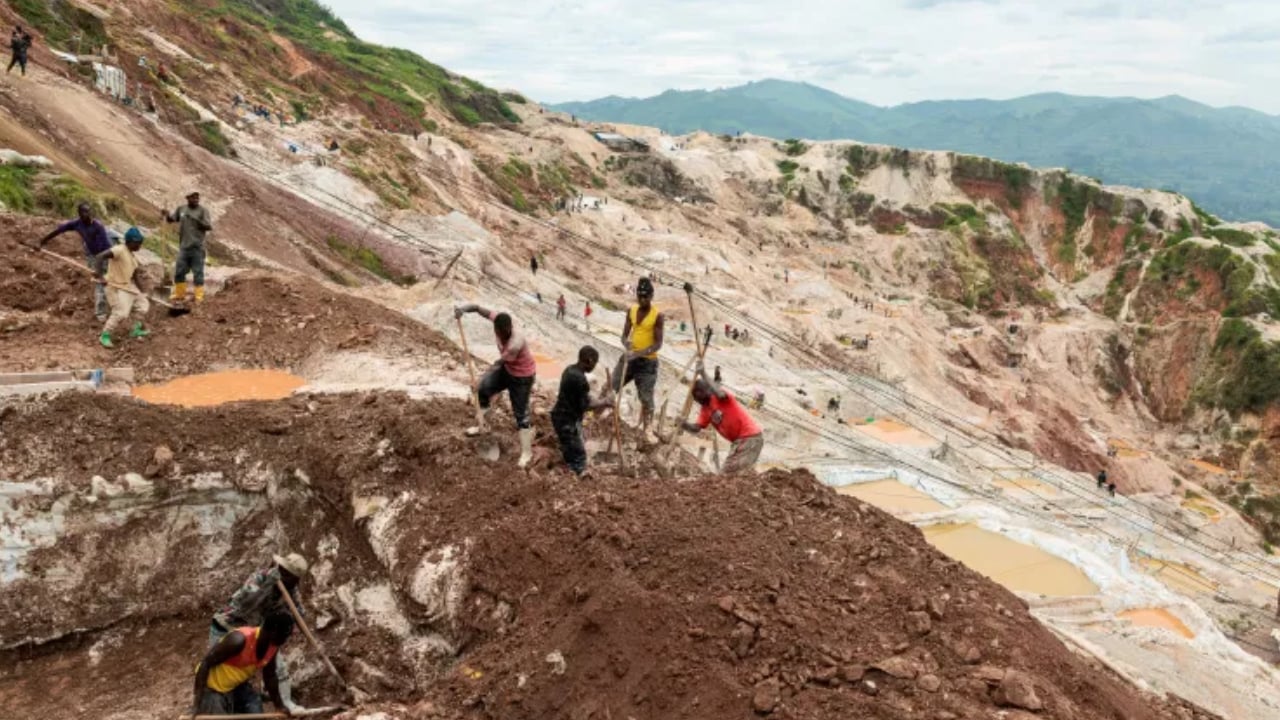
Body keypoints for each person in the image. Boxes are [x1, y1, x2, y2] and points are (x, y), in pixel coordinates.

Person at [455, 303, 537, 468]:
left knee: (521, 414)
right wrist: (463, 310)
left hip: (522, 377)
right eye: (497, 331)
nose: (498, 334)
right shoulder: (498, 320)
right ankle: (482, 425)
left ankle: (527, 452)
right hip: (508, 370)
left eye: (501, 332)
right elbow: (478, 308)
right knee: (484, 390)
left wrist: (479, 379)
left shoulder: (515, 343)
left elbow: (497, 364)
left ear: (508, 329)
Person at [192, 612, 295, 716]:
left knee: (255, 712)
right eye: (284, 636)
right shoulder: (238, 640)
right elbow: (205, 663)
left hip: (236, 686)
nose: (285, 640)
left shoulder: (272, 646)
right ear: (273, 632)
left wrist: (279, 705)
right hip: (213, 688)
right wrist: (197, 703)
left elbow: (270, 676)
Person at [32, 202, 115, 320]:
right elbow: (58, 231)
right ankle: (101, 313)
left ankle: (115, 306)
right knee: (100, 283)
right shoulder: (77, 224)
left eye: (89, 211)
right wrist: (41, 242)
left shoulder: (98, 226)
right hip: (92, 255)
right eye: (84, 212)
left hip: (106, 254)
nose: (88, 214)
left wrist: (99, 268)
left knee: (108, 279)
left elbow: (103, 250)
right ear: (79, 214)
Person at [681, 362, 764, 474]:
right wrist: (683, 424)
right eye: (694, 395)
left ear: (707, 390)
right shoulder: (705, 409)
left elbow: (719, 393)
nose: (696, 397)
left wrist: (703, 373)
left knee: (727, 474)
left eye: (699, 392)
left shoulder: (719, 397)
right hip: (741, 441)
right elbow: (696, 428)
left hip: (748, 438)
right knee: (738, 475)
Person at [612, 277, 665, 434]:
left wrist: (638, 354)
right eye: (640, 296)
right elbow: (624, 336)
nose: (642, 300)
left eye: (645, 297)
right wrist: (626, 344)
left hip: (647, 363)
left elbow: (658, 344)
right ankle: (601, 415)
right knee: (611, 386)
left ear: (651, 296)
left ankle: (648, 429)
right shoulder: (632, 311)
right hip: (630, 358)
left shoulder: (657, 316)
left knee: (646, 398)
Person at [551, 346, 615, 476]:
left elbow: (582, 396)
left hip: (561, 415)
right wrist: (606, 402)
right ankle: (575, 475)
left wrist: (600, 399)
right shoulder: (580, 380)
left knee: (574, 442)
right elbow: (586, 405)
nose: (595, 366)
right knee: (580, 457)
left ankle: (568, 454)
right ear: (590, 361)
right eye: (595, 363)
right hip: (566, 421)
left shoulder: (569, 370)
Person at [92, 228, 150, 348]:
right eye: (138, 243)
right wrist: (100, 275)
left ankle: (135, 329)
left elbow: (135, 276)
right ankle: (105, 335)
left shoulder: (133, 258)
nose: (140, 245)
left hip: (126, 286)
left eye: (140, 243)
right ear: (129, 242)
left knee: (143, 304)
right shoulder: (119, 250)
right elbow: (99, 257)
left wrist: (143, 292)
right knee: (120, 313)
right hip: (114, 286)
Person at [164, 191, 213, 302]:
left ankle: (199, 296)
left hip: (197, 247)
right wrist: (166, 215)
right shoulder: (181, 209)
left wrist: (195, 219)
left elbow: (208, 226)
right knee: (180, 271)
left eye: (197, 198)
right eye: (193, 198)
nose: (196, 200)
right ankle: (179, 294)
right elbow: (172, 219)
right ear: (188, 199)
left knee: (198, 272)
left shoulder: (203, 211)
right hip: (184, 247)